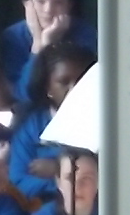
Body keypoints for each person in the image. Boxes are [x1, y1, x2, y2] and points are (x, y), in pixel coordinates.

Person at [9, 41, 95, 204]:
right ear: (48, 88)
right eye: (64, 82)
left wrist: (59, 169)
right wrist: (63, 183)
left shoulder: (105, 123)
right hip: (43, 208)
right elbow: (18, 182)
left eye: (81, 81)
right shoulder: (32, 126)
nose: (74, 89)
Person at [0, 0, 99, 102]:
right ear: (27, 5)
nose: (48, 10)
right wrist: (39, 45)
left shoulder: (85, 34)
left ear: (69, 5)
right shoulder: (13, 36)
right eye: (41, 1)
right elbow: (21, 95)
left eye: (58, 2)